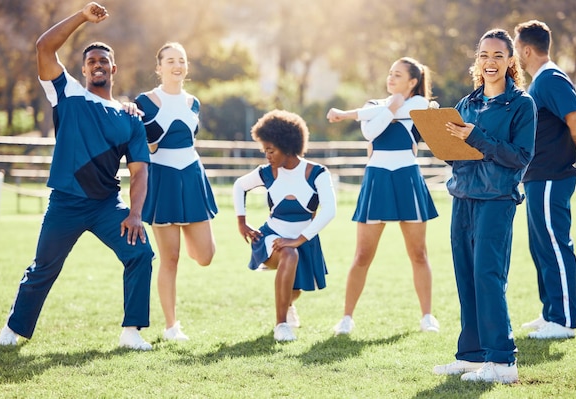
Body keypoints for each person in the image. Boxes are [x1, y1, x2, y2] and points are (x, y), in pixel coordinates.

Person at [0, 2, 155, 350]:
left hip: (106, 205)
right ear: (83, 69)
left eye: (103, 61)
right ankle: (14, 328)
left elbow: (140, 171)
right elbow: (44, 47)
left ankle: (131, 332)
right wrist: (83, 17)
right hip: (66, 202)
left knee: (141, 253)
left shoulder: (130, 117)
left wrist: (135, 213)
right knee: (43, 268)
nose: (97, 64)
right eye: (91, 61)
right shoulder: (66, 91)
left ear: (114, 68)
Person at [432, 29, 536, 383]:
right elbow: (456, 156)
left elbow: (520, 157)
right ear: (477, 61)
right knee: (466, 277)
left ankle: (503, 362)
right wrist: (437, 136)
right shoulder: (467, 103)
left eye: (497, 56)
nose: (489, 62)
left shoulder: (522, 104)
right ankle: (473, 356)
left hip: (497, 200)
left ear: (510, 61)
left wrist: (474, 136)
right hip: (463, 197)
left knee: (487, 277)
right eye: (483, 55)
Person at [326, 57, 440, 335]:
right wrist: (389, 108)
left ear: (413, 82)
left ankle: (427, 316)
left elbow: (417, 108)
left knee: (419, 254)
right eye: (390, 73)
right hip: (377, 178)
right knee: (362, 255)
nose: (391, 78)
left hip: (408, 178)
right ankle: (346, 318)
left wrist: (348, 113)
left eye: (398, 75)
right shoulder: (372, 107)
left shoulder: (418, 105)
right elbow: (371, 130)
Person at [514, 21, 576, 339]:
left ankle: (564, 321)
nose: (515, 55)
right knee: (540, 247)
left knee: (554, 245)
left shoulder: (551, 79)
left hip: (552, 177)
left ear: (526, 49)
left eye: (515, 48)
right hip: (538, 179)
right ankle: (550, 312)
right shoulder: (541, 82)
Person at [134, 42, 218, 342]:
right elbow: (143, 145)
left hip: (192, 177)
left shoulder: (194, 102)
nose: (176, 65)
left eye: (181, 60)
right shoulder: (144, 101)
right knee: (170, 259)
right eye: (170, 60)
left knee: (206, 255)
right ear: (159, 67)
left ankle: (186, 231)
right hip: (163, 179)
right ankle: (171, 326)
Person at [233, 109, 337, 342]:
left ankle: (288, 305)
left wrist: (300, 239)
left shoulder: (317, 173)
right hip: (271, 237)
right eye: (265, 150)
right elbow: (239, 186)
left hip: (305, 241)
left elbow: (330, 211)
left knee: (296, 290)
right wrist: (241, 222)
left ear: (287, 145)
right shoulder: (266, 173)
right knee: (289, 255)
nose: (267, 156)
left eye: (271, 150)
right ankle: (281, 325)